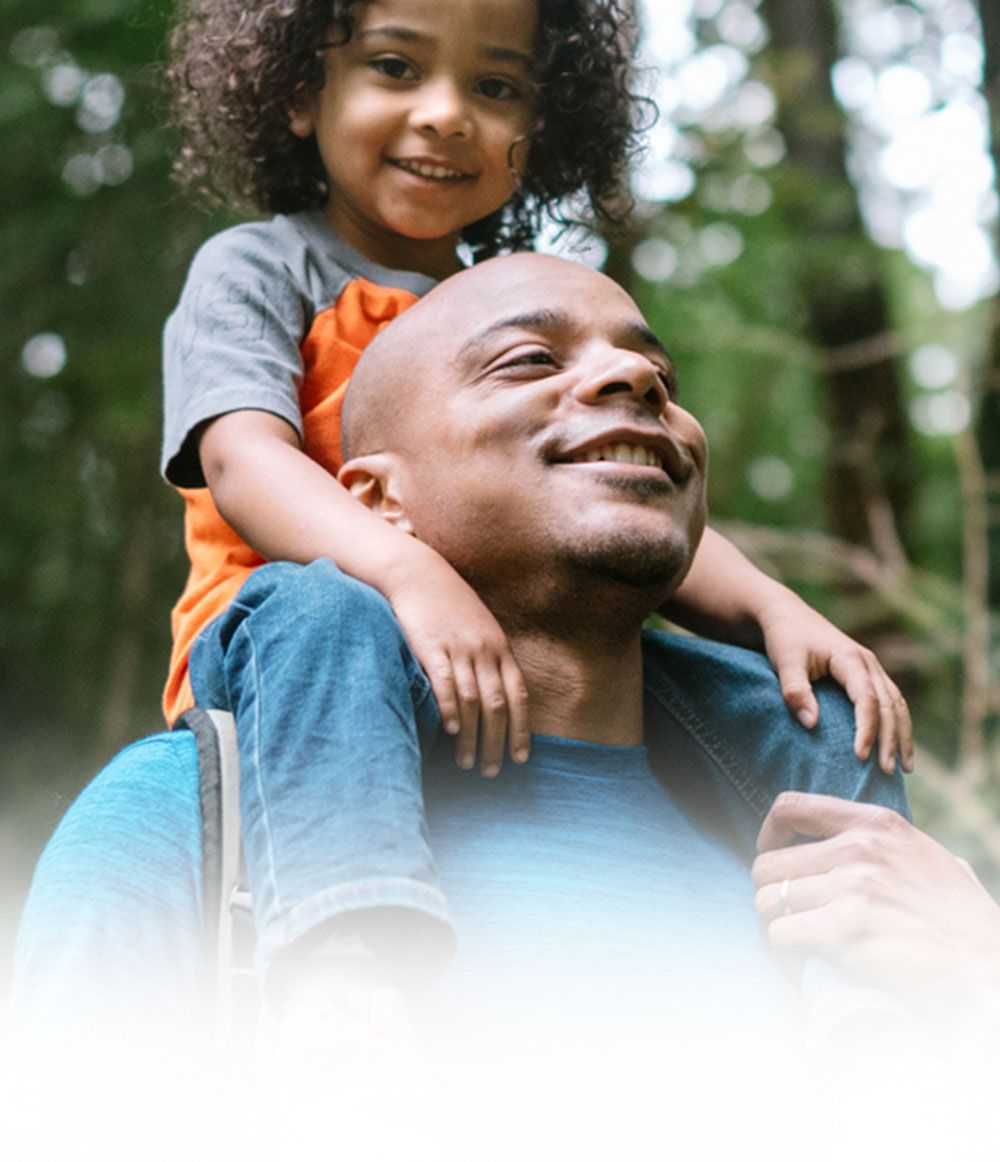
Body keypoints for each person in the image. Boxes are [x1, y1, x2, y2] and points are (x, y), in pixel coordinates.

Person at [16, 254, 1000, 1057]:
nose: (637, 376)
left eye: (658, 373)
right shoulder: (182, 832)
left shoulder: (843, 854)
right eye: (529, 360)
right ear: (375, 504)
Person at [146, 0, 911, 1015]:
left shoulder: (521, 300)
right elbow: (243, 461)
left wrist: (773, 608)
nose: (448, 115)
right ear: (298, 93)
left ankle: (874, 998)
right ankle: (342, 967)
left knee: (816, 707)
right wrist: (404, 571)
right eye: (394, 68)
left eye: (496, 86)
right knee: (326, 608)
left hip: (526, 652)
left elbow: (611, 485)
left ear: (537, 133)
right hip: (302, 652)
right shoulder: (257, 268)